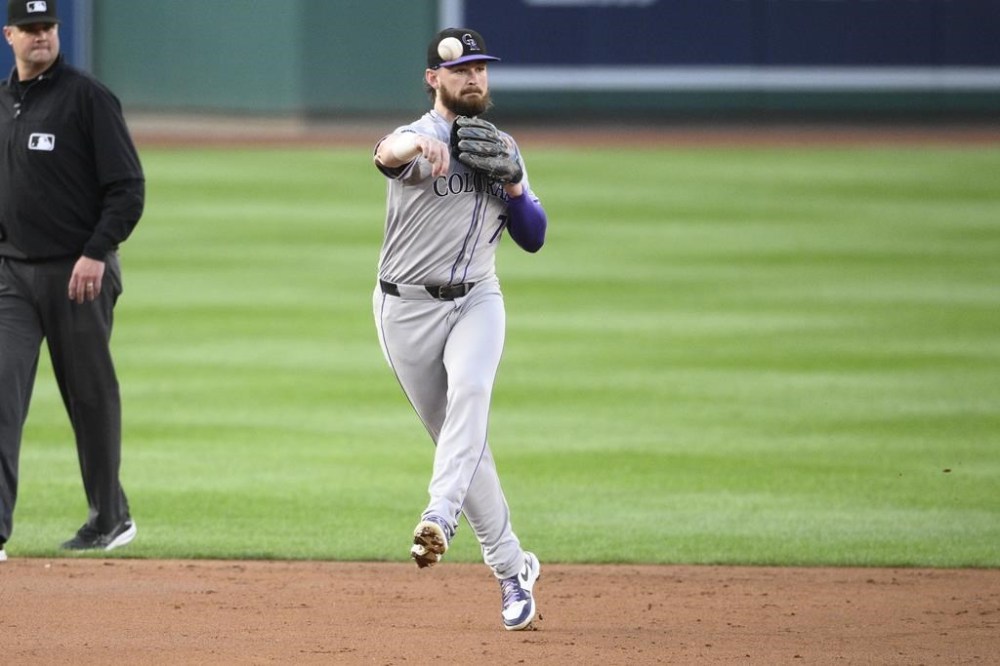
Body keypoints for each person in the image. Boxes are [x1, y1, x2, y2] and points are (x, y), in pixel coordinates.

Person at [372, 27, 548, 631]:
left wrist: (516, 185)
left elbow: (534, 236)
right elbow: (384, 153)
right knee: (462, 441)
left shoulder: (503, 146)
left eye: (480, 69)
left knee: (470, 396)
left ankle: (441, 517)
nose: (473, 78)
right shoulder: (419, 136)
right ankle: (514, 566)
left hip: (478, 300)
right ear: (434, 80)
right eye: (460, 70)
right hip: (405, 312)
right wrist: (416, 149)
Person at [0, 0, 144, 561]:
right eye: (31, 29)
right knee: (3, 396)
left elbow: (127, 188)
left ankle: (110, 516)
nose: (41, 37)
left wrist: (96, 252)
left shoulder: (87, 98)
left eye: (49, 28)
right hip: (12, 273)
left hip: (79, 273)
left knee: (88, 397)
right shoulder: (4, 100)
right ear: (9, 34)